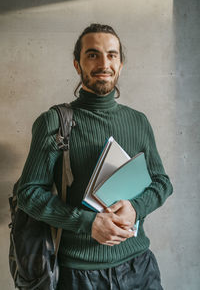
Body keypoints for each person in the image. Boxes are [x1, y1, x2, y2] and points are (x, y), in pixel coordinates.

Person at [17, 23, 173, 290]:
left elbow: (162, 182)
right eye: (92, 54)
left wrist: (136, 208)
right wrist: (88, 223)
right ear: (77, 65)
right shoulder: (53, 122)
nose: (104, 63)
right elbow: (29, 193)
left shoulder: (138, 121)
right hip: (79, 275)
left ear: (121, 64)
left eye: (112, 55)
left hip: (140, 267)